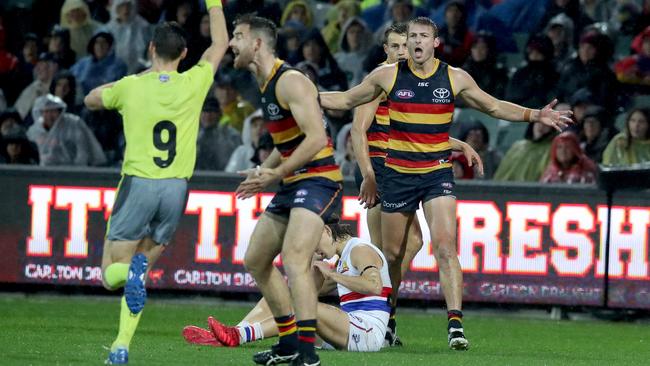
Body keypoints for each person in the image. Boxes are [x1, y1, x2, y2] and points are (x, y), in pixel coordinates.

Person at [320, 16, 572, 350]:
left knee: (445, 245)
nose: (416, 42)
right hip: (397, 174)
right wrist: (302, 94)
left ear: (436, 42)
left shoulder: (454, 77)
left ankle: (455, 325)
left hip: (438, 172)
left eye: (423, 36)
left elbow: (493, 105)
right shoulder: (387, 75)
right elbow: (347, 100)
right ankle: (387, 318)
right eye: (412, 36)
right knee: (393, 254)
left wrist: (533, 114)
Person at [82, 0, 228, 363]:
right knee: (142, 267)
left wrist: (120, 88)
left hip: (139, 183)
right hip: (176, 188)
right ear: (184, 53)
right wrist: (213, 3)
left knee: (109, 274)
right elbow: (221, 43)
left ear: (150, 49)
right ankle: (120, 346)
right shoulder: (194, 81)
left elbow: (90, 99)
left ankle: (127, 277)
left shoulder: (131, 86)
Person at [349, 22, 483, 347]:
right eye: (396, 45)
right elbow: (358, 129)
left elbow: (419, 127)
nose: (402, 51)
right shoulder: (383, 78)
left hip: (410, 165)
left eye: (404, 45)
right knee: (388, 253)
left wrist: (456, 144)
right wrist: (367, 173)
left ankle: (384, 315)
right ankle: (365, 308)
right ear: (387, 48)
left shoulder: (412, 76)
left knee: (410, 247)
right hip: (383, 169)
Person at [230, 14, 344, 366]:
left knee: (295, 259)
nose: (232, 43)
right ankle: (290, 341)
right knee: (256, 259)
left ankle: (307, 354)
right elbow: (290, 141)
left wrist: (274, 174)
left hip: (320, 179)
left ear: (258, 43)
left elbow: (316, 139)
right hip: (296, 180)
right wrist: (267, 170)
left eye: (238, 36)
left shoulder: (291, 80)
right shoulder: (265, 83)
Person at [183, 220, 392, 352]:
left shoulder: (360, 250)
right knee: (277, 296)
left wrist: (332, 275)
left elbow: (374, 286)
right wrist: (313, 262)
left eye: (313, 241)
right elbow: (309, 291)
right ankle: (232, 333)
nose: (313, 248)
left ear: (326, 230)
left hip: (367, 332)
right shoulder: (342, 259)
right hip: (350, 329)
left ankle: (239, 336)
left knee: (306, 309)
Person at [27, 94, 106, 167]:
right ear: (41, 113)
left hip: (71, 171)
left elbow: (82, 150)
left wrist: (79, 170)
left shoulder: (73, 123)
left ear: (60, 111)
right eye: (46, 111)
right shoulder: (34, 130)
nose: (49, 115)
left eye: (53, 111)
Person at [195, 98, 242, 171]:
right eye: (204, 111)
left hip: (224, 179)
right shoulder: (192, 135)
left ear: (219, 114)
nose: (208, 115)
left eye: (212, 111)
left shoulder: (232, 135)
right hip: (196, 179)